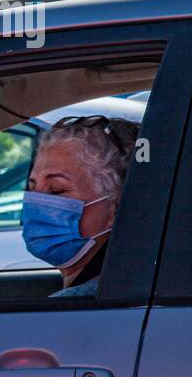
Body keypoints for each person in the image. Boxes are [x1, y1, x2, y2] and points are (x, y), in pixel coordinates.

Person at [22, 115, 141, 298]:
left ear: (116, 207)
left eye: (56, 190)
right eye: (32, 187)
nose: (38, 203)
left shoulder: (75, 305)